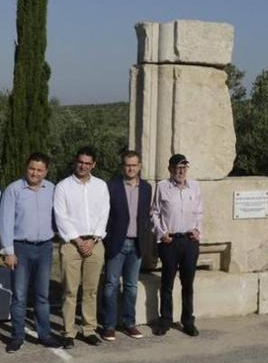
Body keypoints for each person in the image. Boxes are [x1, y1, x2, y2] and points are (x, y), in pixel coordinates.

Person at [0, 153, 60, 353]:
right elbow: (5, 221)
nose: (35, 173)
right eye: (32, 168)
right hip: (20, 248)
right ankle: (17, 336)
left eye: (39, 170)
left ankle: (45, 334)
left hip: (44, 248)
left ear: (46, 171)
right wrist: (8, 251)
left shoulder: (52, 189)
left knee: (43, 295)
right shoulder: (13, 189)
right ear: (27, 168)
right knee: (20, 295)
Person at [54, 146, 110, 349]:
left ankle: (89, 329)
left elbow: (104, 213)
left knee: (91, 290)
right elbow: (61, 217)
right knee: (69, 290)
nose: (83, 166)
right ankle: (68, 332)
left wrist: (93, 240)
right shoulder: (63, 187)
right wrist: (78, 241)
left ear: (93, 164)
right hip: (71, 244)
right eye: (80, 162)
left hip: (95, 243)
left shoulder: (101, 186)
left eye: (88, 163)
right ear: (75, 162)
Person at [101, 150, 152, 341]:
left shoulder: (146, 188)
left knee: (131, 286)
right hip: (116, 243)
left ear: (139, 166)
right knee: (111, 285)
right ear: (123, 166)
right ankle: (109, 325)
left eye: (134, 165)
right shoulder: (112, 186)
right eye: (127, 165)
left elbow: (145, 215)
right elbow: (105, 215)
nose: (130, 168)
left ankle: (129, 323)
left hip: (136, 243)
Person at [152, 154, 204, 336]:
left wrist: (198, 230)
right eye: (177, 167)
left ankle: (188, 321)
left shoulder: (194, 187)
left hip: (189, 241)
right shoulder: (162, 187)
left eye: (184, 167)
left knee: (188, 283)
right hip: (170, 242)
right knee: (167, 283)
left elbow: (199, 212)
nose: (180, 171)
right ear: (170, 169)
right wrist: (161, 233)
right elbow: (155, 213)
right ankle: (165, 320)